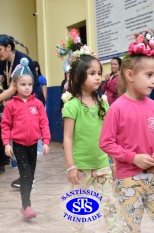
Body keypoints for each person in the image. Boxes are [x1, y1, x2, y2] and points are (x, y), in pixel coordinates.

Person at [99, 30, 154, 233]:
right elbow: (106, 143)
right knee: (130, 228)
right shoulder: (116, 109)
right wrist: (133, 158)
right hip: (127, 180)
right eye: (149, 75)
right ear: (130, 75)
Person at [0, 34, 44, 188]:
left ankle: (28, 177)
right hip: (19, 103)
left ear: (9, 47)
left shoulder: (21, 61)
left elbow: (13, 88)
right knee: (17, 140)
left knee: (27, 140)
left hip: (31, 103)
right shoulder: (3, 63)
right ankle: (26, 175)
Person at [62, 47, 119, 232]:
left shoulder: (103, 103)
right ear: (79, 76)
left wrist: (115, 160)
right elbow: (68, 138)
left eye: (99, 73)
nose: (98, 77)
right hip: (80, 168)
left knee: (110, 203)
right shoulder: (72, 105)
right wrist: (71, 167)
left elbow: (110, 135)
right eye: (92, 73)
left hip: (102, 164)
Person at [1, 58, 51, 220]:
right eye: (23, 84)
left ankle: (25, 206)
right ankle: (27, 205)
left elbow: (44, 123)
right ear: (15, 85)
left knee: (31, 176)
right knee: (26, 175)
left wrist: (45, 141)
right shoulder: (11, 105)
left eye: (29, 84)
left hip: (33, 145)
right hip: (19, 146)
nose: (27, 87)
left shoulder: (37, 104)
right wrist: (6, 143)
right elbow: (6, 125)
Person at [34, 61, 47, 155]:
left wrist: (42, 105)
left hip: (40, 105)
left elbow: (44, 93)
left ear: (37, 68)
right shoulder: (31, 79)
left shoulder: (42, 79)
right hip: (32, 106)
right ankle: (37, 147)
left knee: (41, 125)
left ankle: (40, 148)